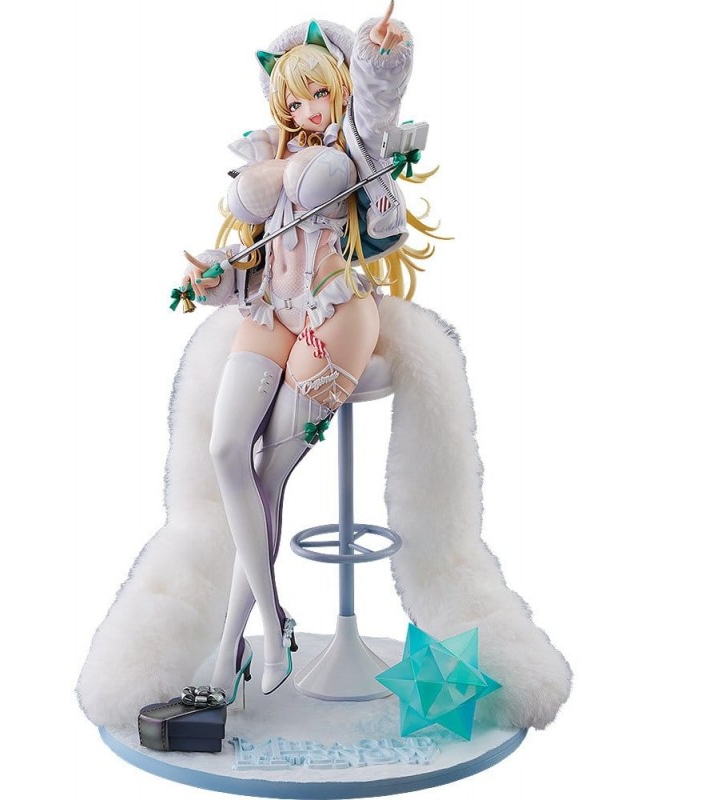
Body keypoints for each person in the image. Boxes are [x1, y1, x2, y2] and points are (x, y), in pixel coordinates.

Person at [180, 2, 441, 703]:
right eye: (294, 99)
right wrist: (215, 279)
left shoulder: (359, 144)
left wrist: (383, 53)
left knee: (268, 476)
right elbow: (255, 259)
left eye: (318, 92)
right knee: (226, 450)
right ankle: (275, 621)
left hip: (335, 309)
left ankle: (236, 646)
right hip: (272, 306)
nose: (305, 109)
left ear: (341, 88)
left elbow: (379, 96)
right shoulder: (269, 152)